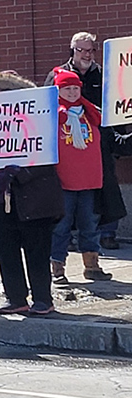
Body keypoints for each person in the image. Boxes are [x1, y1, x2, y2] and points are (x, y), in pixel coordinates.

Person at [0, 71, 64, 315]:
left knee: (37, 251)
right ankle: (16, 297)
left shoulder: (37, 121)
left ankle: (43, 299)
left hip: (32, 200)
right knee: (7, 252)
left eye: (1, 96)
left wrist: (20, 174)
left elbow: (47, 158)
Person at [44, 30, 125, 250]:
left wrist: (118, 136)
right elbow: (45, 109)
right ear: (73, 50)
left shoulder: (104, 74)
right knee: (67, 197)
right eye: (81, 50)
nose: (86, 54)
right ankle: (65, 242)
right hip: (67, 147)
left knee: (105, 188)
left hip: (99, 142)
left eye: (90, 50)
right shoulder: (58, 75)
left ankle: (107, 233)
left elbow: (117, 106)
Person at [50, 67, 112, 283]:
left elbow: (103, 124)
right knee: (61, 227)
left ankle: (92, 264)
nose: (72, 93)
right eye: (67, 89)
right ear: (58, 90)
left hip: (88, 180)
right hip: (64, 180)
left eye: (76, 88)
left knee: (90, 225)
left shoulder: (89, 112)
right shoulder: (52, 114)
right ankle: (57, 266)